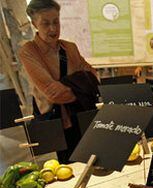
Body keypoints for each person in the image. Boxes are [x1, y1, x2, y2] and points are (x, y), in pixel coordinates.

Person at [19, 0, 97, 163]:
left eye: (56, 22)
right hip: (54, 123)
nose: (53, 29)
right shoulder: (29, 51)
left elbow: (94, 76)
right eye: (45, 23)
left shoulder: (70, 48)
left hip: (81, 116)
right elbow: (53, 94)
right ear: (34, 24)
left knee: (90, 161)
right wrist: (81, 86)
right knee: (63, 171)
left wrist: (71, 86)